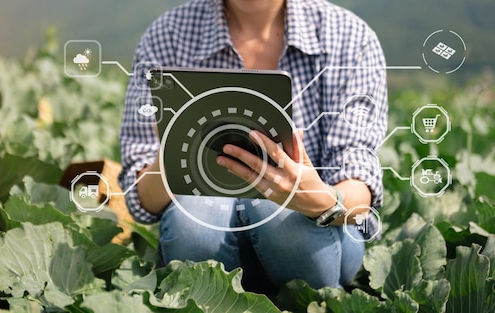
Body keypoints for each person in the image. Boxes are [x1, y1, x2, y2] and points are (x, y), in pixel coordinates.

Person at [119, 0, 387, 293]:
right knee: (195, 219)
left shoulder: (349, 36)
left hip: (324, 233)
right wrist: (172, 153)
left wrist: (316, 198)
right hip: (200, 233)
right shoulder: (167, 35)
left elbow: (361, 191)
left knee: (271, 209)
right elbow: (142, 201)